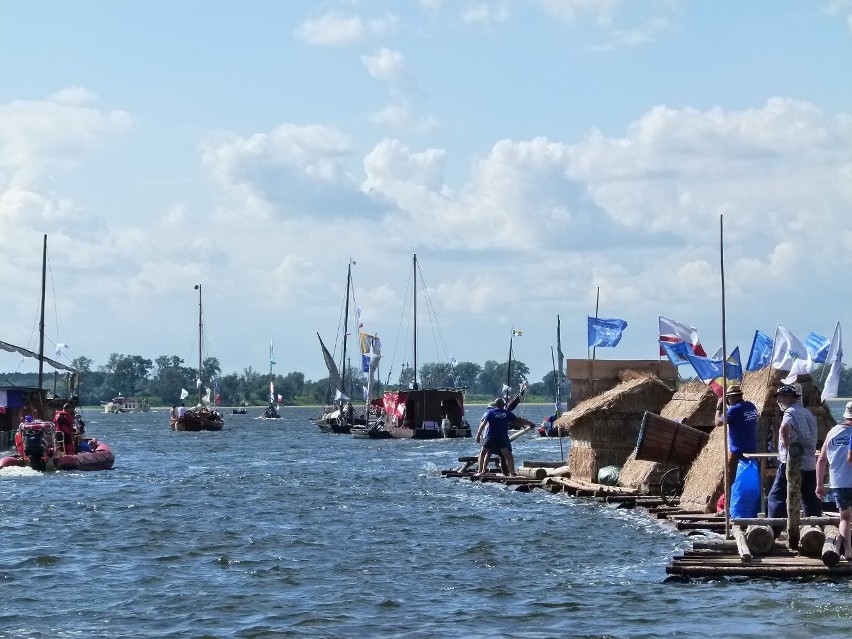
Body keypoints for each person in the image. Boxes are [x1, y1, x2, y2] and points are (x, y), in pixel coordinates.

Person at [767, 384, 822, 524]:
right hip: (809, 463)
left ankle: (774, 527)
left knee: (776, 496)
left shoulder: (790, 412)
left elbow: (784, 427)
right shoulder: (808, 413)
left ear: (787, 398)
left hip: (791, 463)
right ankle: (814, 526)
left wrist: (787, 447)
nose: (778, 401)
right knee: (809, 497)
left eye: (779, 398)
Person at [816, 401, 852, 560]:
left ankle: (848, 550)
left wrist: (819, 484)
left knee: (844, 517)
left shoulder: (832, 432)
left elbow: (822, 459)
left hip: (839, 481)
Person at [474, 397, 535, 476]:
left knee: (482, 454)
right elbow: (517, 420)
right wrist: (529, 423)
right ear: (503, 405)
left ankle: (480, 471)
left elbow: (483, 424)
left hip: (491, 437)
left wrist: (478, 435)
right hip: (502, 437)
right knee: (508, 456)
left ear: (496, 405)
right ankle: (512, 473)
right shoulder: (507, 413)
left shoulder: (490, 412)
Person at [714, 384, 758, 483]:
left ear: (732, 396)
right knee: (749, 481)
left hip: (739, 452)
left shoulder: (734, 410)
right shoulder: (751, 406)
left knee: (733, 480)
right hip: (752, 449)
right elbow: (739, 415)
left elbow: (718, 422)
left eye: (728, 398)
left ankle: (731, 498)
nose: (728, 400)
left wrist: (718, 408)